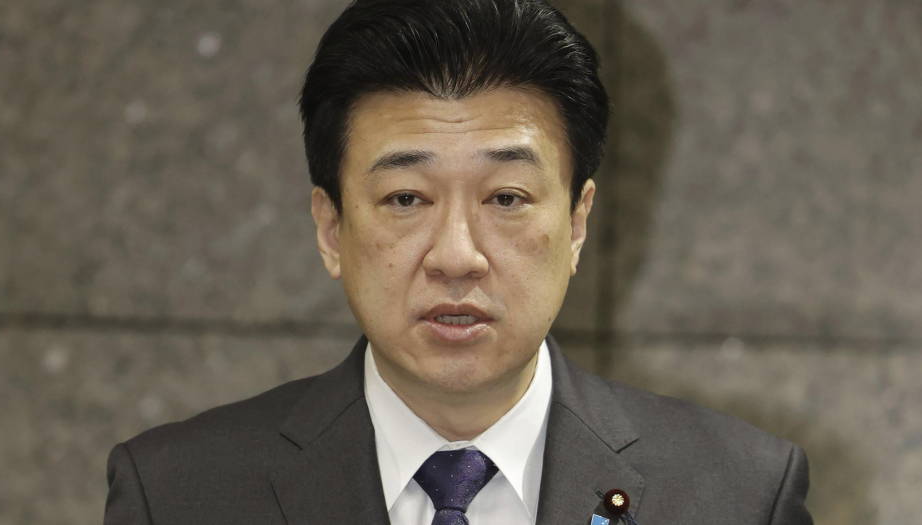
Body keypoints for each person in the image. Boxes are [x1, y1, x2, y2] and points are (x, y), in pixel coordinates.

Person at [103, 1, 813, 524]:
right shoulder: (177, 494)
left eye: (506, 197)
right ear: (331, 229)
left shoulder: (741, 495)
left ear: (576, 223)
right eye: (406, 198)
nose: (456, 256)